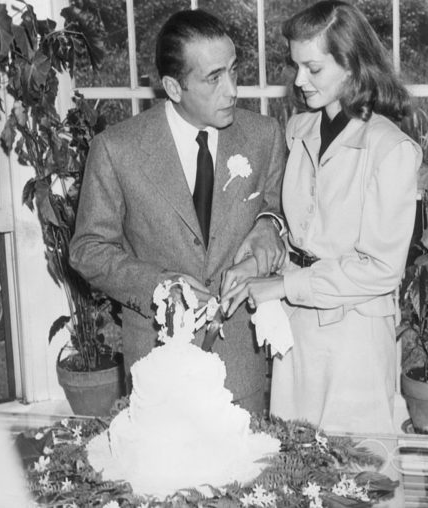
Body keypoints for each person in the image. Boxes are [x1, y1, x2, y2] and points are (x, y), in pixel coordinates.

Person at [69, 9, 287, 414]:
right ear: (173, 86)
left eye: (234, 71)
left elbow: (280, 211)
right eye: (213, 78)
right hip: (157, 370)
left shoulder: (263, 136)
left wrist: (269, 226)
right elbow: (88, 249)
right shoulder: (117, 149)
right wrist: (159, 286)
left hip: (241, 372)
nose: (233, 91)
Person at [221, 0, 421, 435]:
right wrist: (258, 263)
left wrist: (283, 285)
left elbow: (381, 270)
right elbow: (297, 229)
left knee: (355, 478)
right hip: (296, 327)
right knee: (297, 470)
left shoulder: (390, 149)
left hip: (356, 337)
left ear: (351, 66)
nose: (298, 80)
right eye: (295, 66)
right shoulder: (300, 130)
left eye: (313, 68)